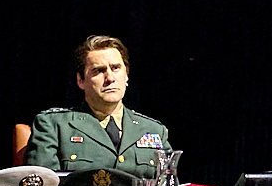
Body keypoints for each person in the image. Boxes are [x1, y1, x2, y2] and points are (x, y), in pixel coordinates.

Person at [24, 35, 174, 177]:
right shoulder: (54, 125)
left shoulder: (154, 130)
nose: (110, 78)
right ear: (80, 80)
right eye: (98, 71)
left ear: (126, 75)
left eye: (116, 68)